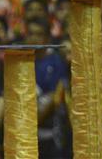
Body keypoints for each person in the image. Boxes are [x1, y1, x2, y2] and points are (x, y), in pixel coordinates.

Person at [25, 17, 66, 158]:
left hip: (48, 133)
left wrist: (30, 122)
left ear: (47, 38)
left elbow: (53, 96)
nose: (34, 38)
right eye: (31, 34)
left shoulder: (55, 62)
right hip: (23, 130)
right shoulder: (20, 60)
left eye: (39, 34)